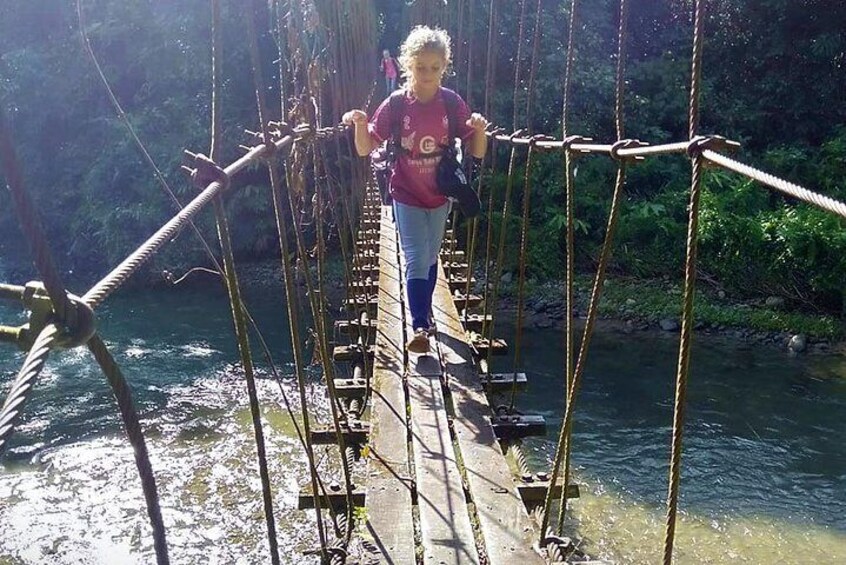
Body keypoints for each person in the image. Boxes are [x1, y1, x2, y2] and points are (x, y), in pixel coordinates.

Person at [343, 26, 488, 354]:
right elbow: (366, 148)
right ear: (408, 65)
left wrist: (480, 130)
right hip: (404, 191)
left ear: (444, 66)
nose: (427, 74)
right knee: (415, 256)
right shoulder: (395, 104)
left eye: (435, 68)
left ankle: (424, 319)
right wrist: (359, 125)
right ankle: (419, 325)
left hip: (439, 193)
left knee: (431, 255)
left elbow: (476, 151)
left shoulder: (451, 103)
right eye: (420, 67)